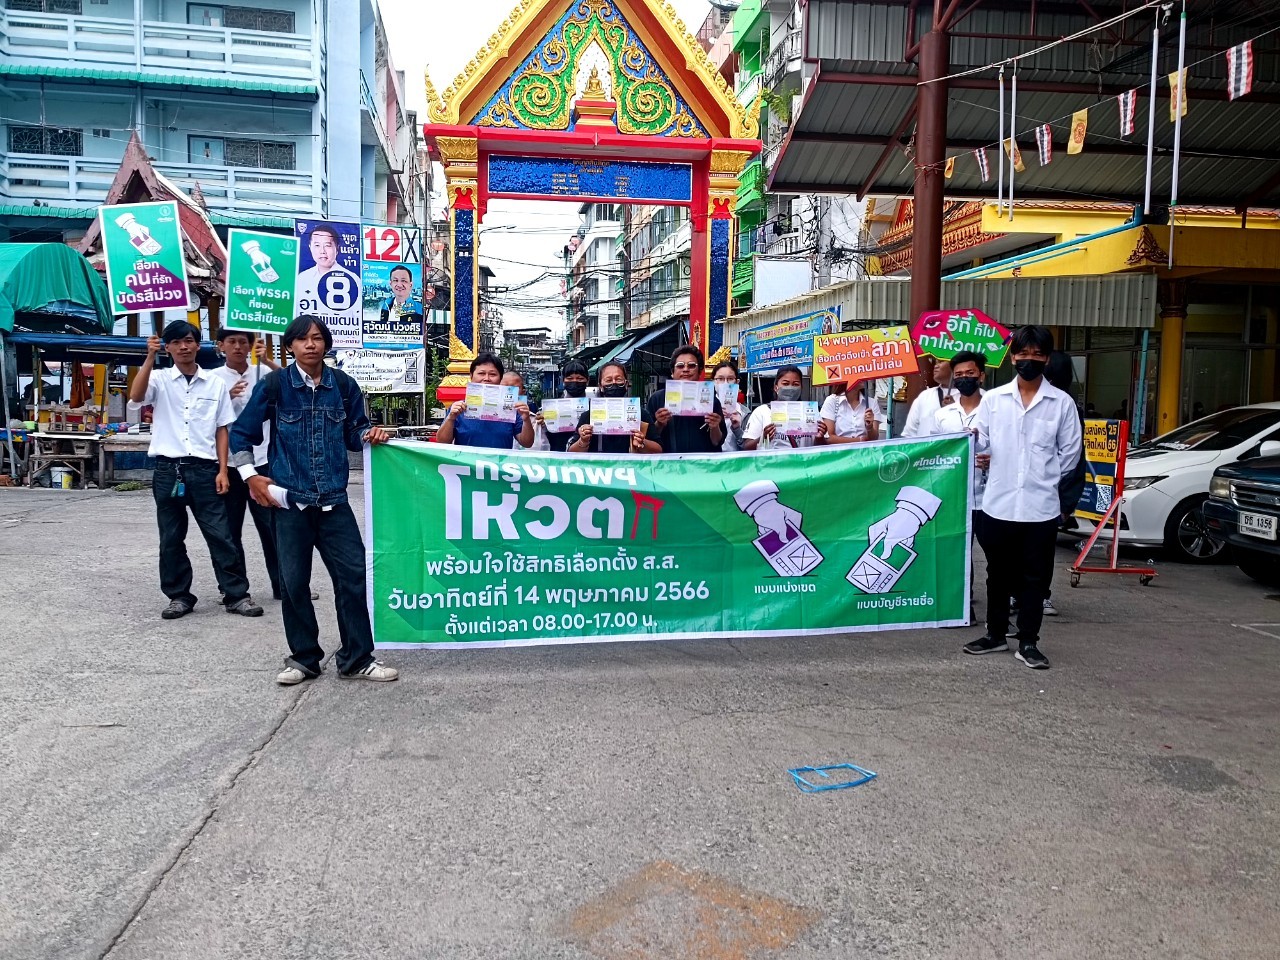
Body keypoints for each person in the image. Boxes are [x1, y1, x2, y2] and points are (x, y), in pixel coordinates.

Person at [230, 315, 398, 685]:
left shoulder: (344, 385)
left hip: (335, 502)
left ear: (326, 344)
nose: (311, 345)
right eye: (303, 339)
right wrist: (250, 476)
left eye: (318, 338)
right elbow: (241, 434)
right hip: (290, 502)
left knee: (353, 578)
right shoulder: (275, 385)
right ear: (289, 346)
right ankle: (304, 659)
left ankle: (357, 658)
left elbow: (355, 432)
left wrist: (370, 433)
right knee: (293, 584)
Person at [965, 326, 1082, 670]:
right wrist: (977, 444)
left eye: (1037, 354)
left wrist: (1042, 477)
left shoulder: (1061, 404)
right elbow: (982, 441)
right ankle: (995, 634)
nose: (1029, 360)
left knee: (1035, 578)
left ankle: (1029, 641)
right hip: (998, 504)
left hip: (1040, 508)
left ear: (1047, 358)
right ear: (1012, 357)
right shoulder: (994, 400)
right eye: (1023, 353)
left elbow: (1070, 455)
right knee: (998, 575)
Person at [130, 320, 262, 620]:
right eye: (176, 342)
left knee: (221, 535)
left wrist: (223, 470)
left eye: (189, 340)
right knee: (171, 538)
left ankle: (236, 595)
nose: (183, 347)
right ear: (168, 347)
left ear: (198, 345)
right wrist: (149, 357)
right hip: (168, 470)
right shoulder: (159, 379)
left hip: (205, 471)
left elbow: (222, 429)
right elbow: (136, 397)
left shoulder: (214, 384)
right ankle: (179, 596)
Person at [210, 328, 283, 601]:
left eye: (244, 342)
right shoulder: (213, 379)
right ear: (221, 346)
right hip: (227, 464)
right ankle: (234, 589)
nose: (238, 347)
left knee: (273, 528)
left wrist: (268, 361)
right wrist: (226, 397)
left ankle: (284, 584)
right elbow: (202, 418)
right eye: (232, 342)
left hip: (261, 460)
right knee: (228, 531)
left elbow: (289, 384)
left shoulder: (263, 375)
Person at [436, 352, 535, 450]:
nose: (486, 378)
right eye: (481, 373)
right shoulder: (459, 408)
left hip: (499, 460)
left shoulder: (510, 409)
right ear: (471, 376)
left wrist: (526, 419)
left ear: (500, 378)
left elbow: (527, 443)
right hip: (466, 460)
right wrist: (451, 418)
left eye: (492, 374)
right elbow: (442, 442)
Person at [647, 344, 725, 453]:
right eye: (680, 366)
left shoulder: (711, 400)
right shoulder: (657, 399)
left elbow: (717, 442)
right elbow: (648, 440)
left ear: (700, 371)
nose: (686, 369)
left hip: (702, 462)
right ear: (672, 372)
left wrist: (715, 427)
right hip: (668, 462)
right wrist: (659, 424)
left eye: (692, 365)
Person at [570, 361, 660, 454]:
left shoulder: (641, 414)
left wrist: (643, 442)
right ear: (601, 386)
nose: (614, 383)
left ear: (626, 384)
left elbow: (659, 449)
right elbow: (571, 452)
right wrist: (583, 441)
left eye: (618, 379)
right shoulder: (588, 416)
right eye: (608, 380)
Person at [742, 364, 830, 451]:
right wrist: (763, 438)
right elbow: (746, 447)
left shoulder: (811, 413)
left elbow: (824, 448)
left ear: (801, 388)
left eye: (795, 384)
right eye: (785, 384)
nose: (790, 388)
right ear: (776, 387)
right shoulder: (762, 412)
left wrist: (820, 437)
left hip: (804, 460)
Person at [296, 224, 359, 313]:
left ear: (337, 248)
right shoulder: (302, 278)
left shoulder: (353, 279)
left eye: (327, 245)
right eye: (317, 245)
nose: (322, 251)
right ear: (310, 247)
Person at [538, 359, 590, 453]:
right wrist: (543, 425)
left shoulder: (594, 407)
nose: (575, 381)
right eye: (570, 378)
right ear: (563, 381)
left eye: (580, 378)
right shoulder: (550, 408)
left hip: (587, 457)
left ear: (587, 381)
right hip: (558, 456)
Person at [902, 358, 957, 437]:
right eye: (936, 362)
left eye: (941, 362)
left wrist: (954, 411)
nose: (936, 366)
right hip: (924, 444)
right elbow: (909, 432)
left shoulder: (969, 397)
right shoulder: (925, 396)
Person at [819, 382, 886, 443]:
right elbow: (828, 438)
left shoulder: (872, 403)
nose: (863, 376)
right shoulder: (832, 401)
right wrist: (859, 440)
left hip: (865, 451)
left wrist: (870, 427)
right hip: (840, 452)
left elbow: (874, 438)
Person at [711, 361, 746, 452]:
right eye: (720, 379)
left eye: (730, 379)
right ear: (714, 382)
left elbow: (747, 447)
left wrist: (737, 428)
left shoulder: (745, 413)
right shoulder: (705, 409)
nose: (725, 383)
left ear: (737, 382)